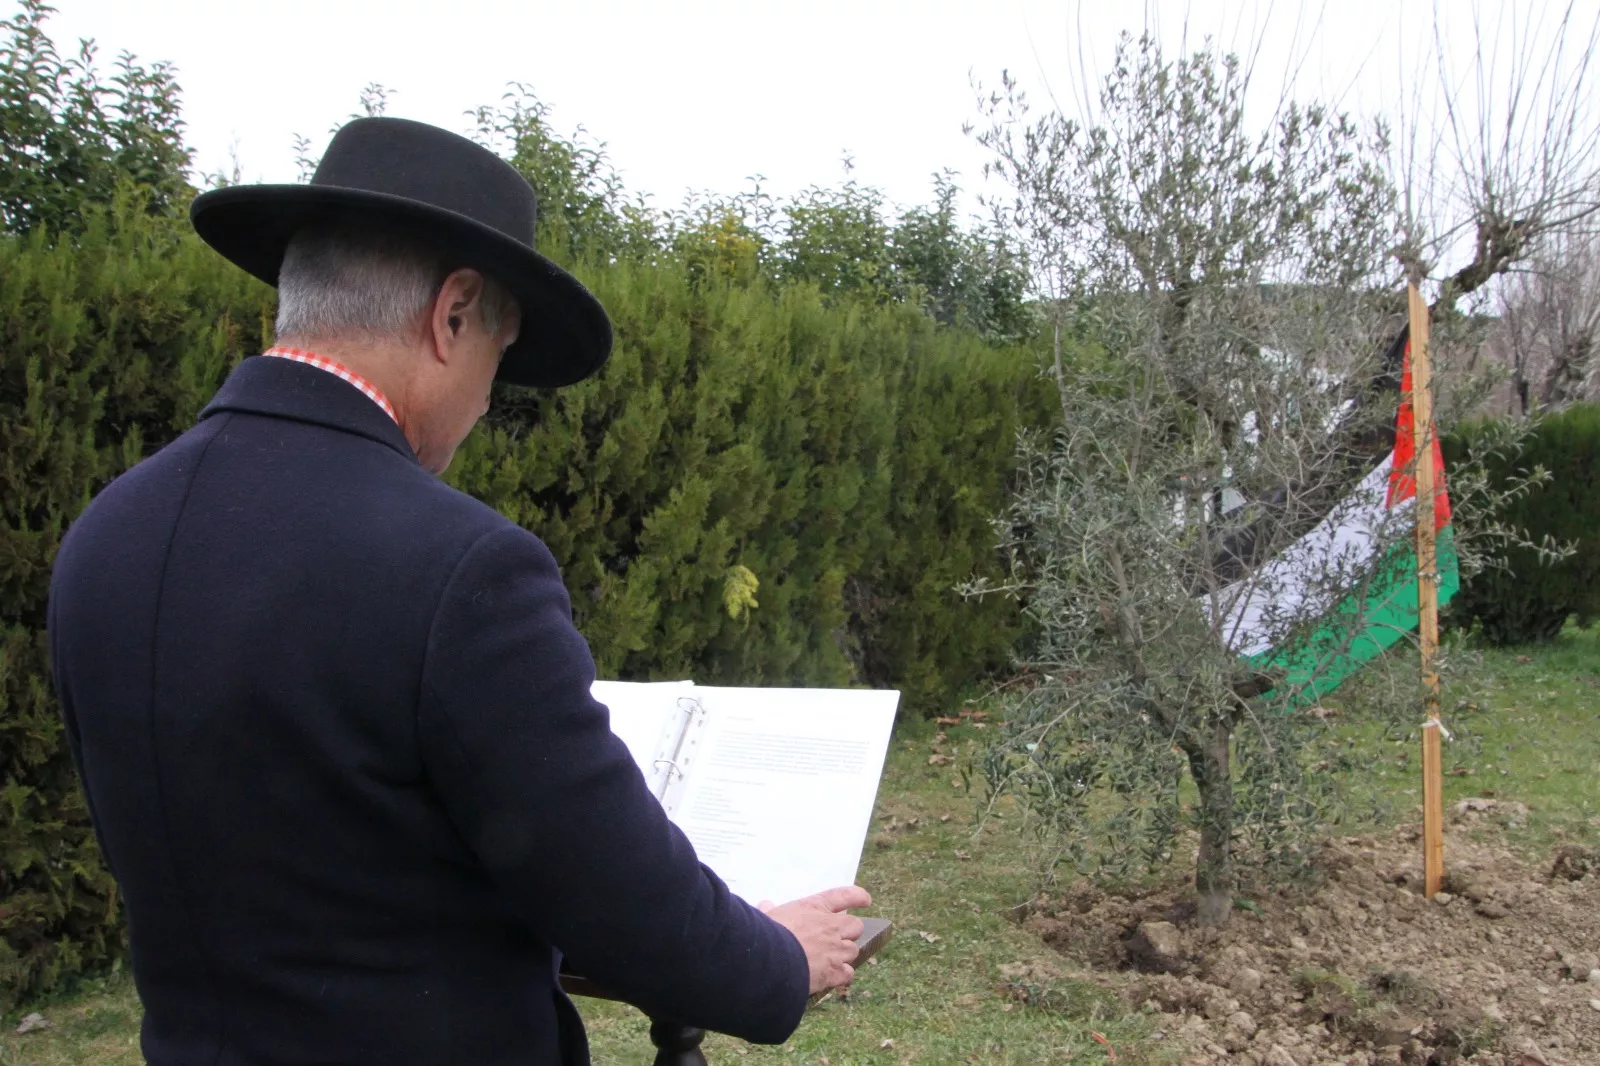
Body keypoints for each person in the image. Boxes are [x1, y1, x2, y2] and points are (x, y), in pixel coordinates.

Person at [47, 116, 869, 1066]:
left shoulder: (106, 530)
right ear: (453, 314)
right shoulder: (460, 566)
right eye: (498, 357)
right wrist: (779, 959)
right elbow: (614, 892)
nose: (486, 400)